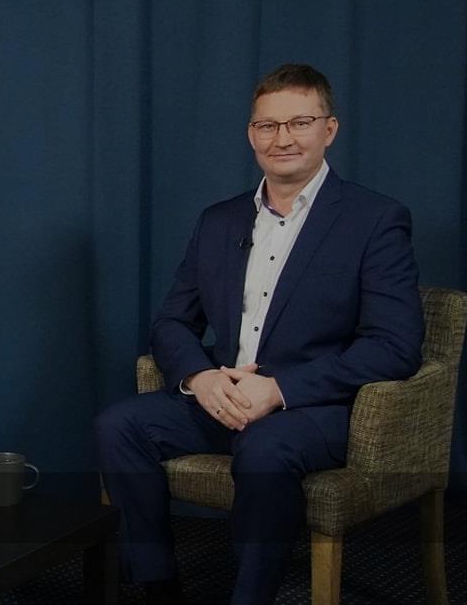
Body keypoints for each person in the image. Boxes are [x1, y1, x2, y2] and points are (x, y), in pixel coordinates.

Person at [95, 64, 424, 604]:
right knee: (119, 425)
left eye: (299, 122)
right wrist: (200, 379)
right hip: (224, 397)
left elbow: (395, 346)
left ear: (329, 129)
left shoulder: (375, 219)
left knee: (264, 449)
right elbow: (172, 322)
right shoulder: (218, 221)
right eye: (268, 125)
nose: (282, 138)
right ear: (252, 135)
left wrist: (280, 389)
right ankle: (157, 587)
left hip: (316, 408)